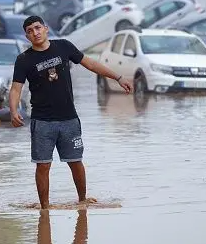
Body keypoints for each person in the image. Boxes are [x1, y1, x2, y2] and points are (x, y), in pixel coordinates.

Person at [9, 15, 133, 210]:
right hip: (42, 122)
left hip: (69, 119)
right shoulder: (24, 60)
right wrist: (14, 110)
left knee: (76, 162)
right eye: (30, 31)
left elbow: (90, 64)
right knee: (42, 166)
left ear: (46, 28)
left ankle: (82, 199)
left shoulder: (64, 47)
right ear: (27, 36)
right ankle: (44, 208)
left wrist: (117, 77)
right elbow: (16, 88)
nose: (35, 32)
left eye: (37, 28)